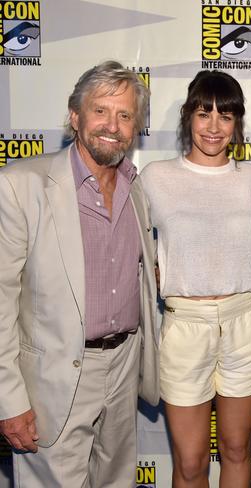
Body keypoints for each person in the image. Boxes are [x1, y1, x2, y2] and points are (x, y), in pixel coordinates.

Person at [0, 61, 158, 487]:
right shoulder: (20, 185)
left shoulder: (136, 187)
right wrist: (8, 399)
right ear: (75, 116)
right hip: (54, 377)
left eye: (125, 115)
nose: (113, 125)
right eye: (101, 111)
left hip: (124, 364)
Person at [140, 70, 251, 488]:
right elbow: (126, 245)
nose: (214, 126)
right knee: (191, 464)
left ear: (237, 124)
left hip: (243, 322)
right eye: (204, 113)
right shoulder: (156, 178)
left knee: (235, 450)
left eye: (225, 116)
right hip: (185, 325)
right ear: (187, 117)